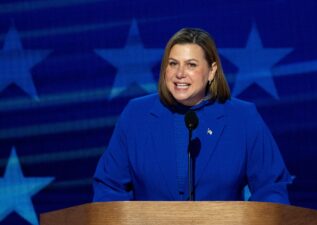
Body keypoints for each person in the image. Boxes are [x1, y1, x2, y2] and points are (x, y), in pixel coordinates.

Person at [93, 28, 292, 203]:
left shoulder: (242, 117)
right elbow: (109, 188)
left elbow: (271, 188)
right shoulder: (136, 115)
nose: (180, 73)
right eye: (173, 63)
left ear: (212, 71)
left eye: (191, 65)